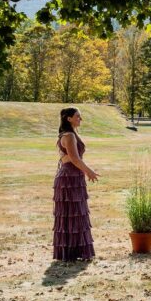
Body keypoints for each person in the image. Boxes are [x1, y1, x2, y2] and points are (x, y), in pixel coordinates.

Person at [54, 107, 98, 261]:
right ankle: (72, 252)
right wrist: (89, 171)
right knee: (72, 213)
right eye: (78, 116)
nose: (81, 119)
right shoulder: (69, 136)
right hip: (68, 178)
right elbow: (75, 159)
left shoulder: (71, 134)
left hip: (73, 177)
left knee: (76, 213)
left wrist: (84, 171)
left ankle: (75, 251)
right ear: (69, 118)